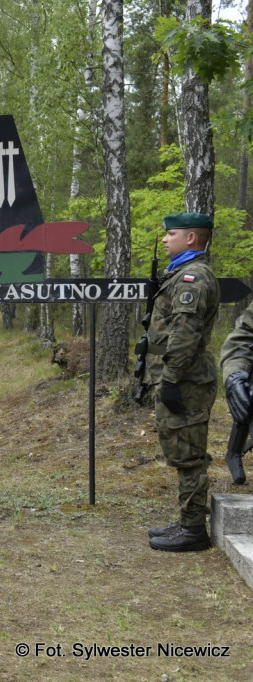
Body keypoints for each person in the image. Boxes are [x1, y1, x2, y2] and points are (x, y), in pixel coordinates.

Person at [145, 213, 219, 552]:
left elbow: (185, 333)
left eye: (170, 234)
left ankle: (193, 530)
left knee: (188, 454)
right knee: (179, 448)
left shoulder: (193, 278)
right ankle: (186, 520)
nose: (164, 239)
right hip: (179, 375)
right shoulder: (180, 275)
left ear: (191, 238)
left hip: (186, 378)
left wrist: (171, 379)